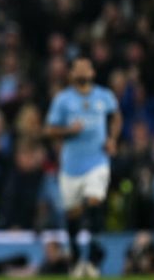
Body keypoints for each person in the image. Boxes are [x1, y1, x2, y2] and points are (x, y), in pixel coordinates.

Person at [44, 57, 122, 278]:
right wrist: (69, 131)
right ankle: (78, 259)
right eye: (78, 67)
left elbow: (116, 117)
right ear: (71, 73)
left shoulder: (104, 96)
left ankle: (95, 258)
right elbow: (49, 130)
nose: (83, 70)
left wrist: (112, 139)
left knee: (94, 201)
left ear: (93, 72)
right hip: (70, 166)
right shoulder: (63, 100)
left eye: (86, 66)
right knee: (73, 215)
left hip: (97, 161)